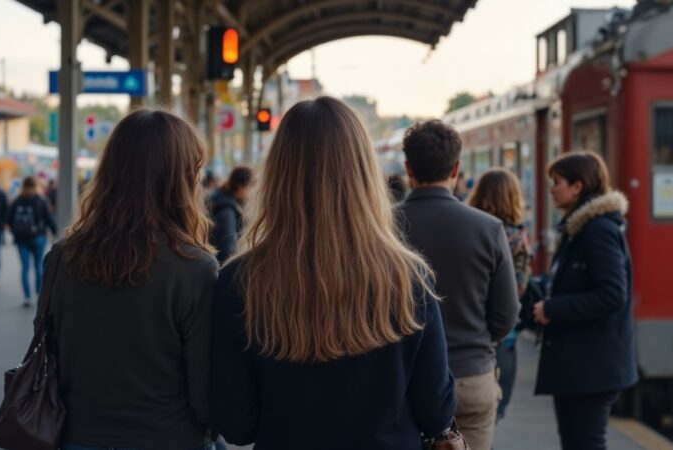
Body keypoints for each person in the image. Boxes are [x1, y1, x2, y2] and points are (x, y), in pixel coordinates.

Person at [211, 97, 456, 450]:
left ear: (277, 173)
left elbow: (237, 425)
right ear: (363, 174)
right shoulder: (409, 278)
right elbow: (436, 412)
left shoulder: (240, 281)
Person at [47, 109, 218, 450]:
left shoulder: (62, 257)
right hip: (169, 438)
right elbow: (204, 385)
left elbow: (53, 352)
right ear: (180, 180)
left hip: (78, 434)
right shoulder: (195, 268)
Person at [397, 120, 519, 450]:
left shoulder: (383, 227)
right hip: (470, 376)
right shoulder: (489, 229)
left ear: (408, 168)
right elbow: (506, 315)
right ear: (456, 169)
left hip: (400, 381)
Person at [533, 151, 638, 450]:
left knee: (585, 444)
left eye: (557, 182)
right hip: (581, 365)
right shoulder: (579, 229)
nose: (551, 189)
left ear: (577, 187)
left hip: (591, 366)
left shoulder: (597, 231)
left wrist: (552, 308)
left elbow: (613, 294)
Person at [467, 167, 532, 421]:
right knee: (492, 414)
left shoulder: (470, 229)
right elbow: (519, 288)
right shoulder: (516, 238)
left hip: (467, 325)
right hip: (501, 333)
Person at [7, 177, 57, 307]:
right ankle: (39, 295)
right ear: (36, 186)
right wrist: (55, 232)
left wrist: (15, 231)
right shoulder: (40, 200)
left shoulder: (17, 200)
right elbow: (48, 218)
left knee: (25, 267)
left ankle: (27, 297)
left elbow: (9, 219)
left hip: (21, 239)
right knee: (38, 266)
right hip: (38, 237)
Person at [209, 165, 254, 263]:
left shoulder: (220, 199)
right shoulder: (227, 211)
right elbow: (227, 252)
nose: (252, 191)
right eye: (251, 186)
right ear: (240, 186)